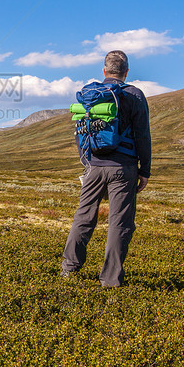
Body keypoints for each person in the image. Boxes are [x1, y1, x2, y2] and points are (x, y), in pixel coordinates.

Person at [61, 50, 151, 287]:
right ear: (126, 72)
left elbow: (80, 133)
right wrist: (145, 170)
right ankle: (110, 280)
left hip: (93, 166)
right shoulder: (134, 95)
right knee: (120, 223)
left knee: (84, 216)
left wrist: (87, 162)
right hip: (124, 168)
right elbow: (143, 135)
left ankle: (69, 268)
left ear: (104, 71)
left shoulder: (91, 96)